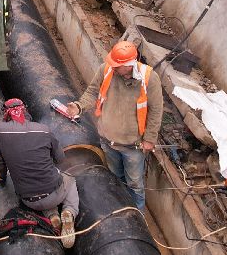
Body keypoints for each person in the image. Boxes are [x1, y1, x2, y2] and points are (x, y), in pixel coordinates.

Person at [60, 41, 160, 209]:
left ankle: (138, 216)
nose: (112, 67)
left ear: (129, 65)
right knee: (115, 178)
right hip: (108, 141)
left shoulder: (150, 78)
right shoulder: (106, 70)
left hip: (132, 146)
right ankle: (120, 209)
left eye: (116, 65)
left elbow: (156, 110)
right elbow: (92, 91)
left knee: (135, 184)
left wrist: (149, 139)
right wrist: (79, 106)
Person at [0, 98, 78, 248]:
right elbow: (59, 159)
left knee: (36, 185)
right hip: (53, 192)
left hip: (28, 200)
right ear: (25, 110)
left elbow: (0, 164)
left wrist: (0, 177)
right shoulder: (43, 129)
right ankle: (69, 212)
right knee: (69, 179)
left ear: (6, 114)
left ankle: (52, 215)